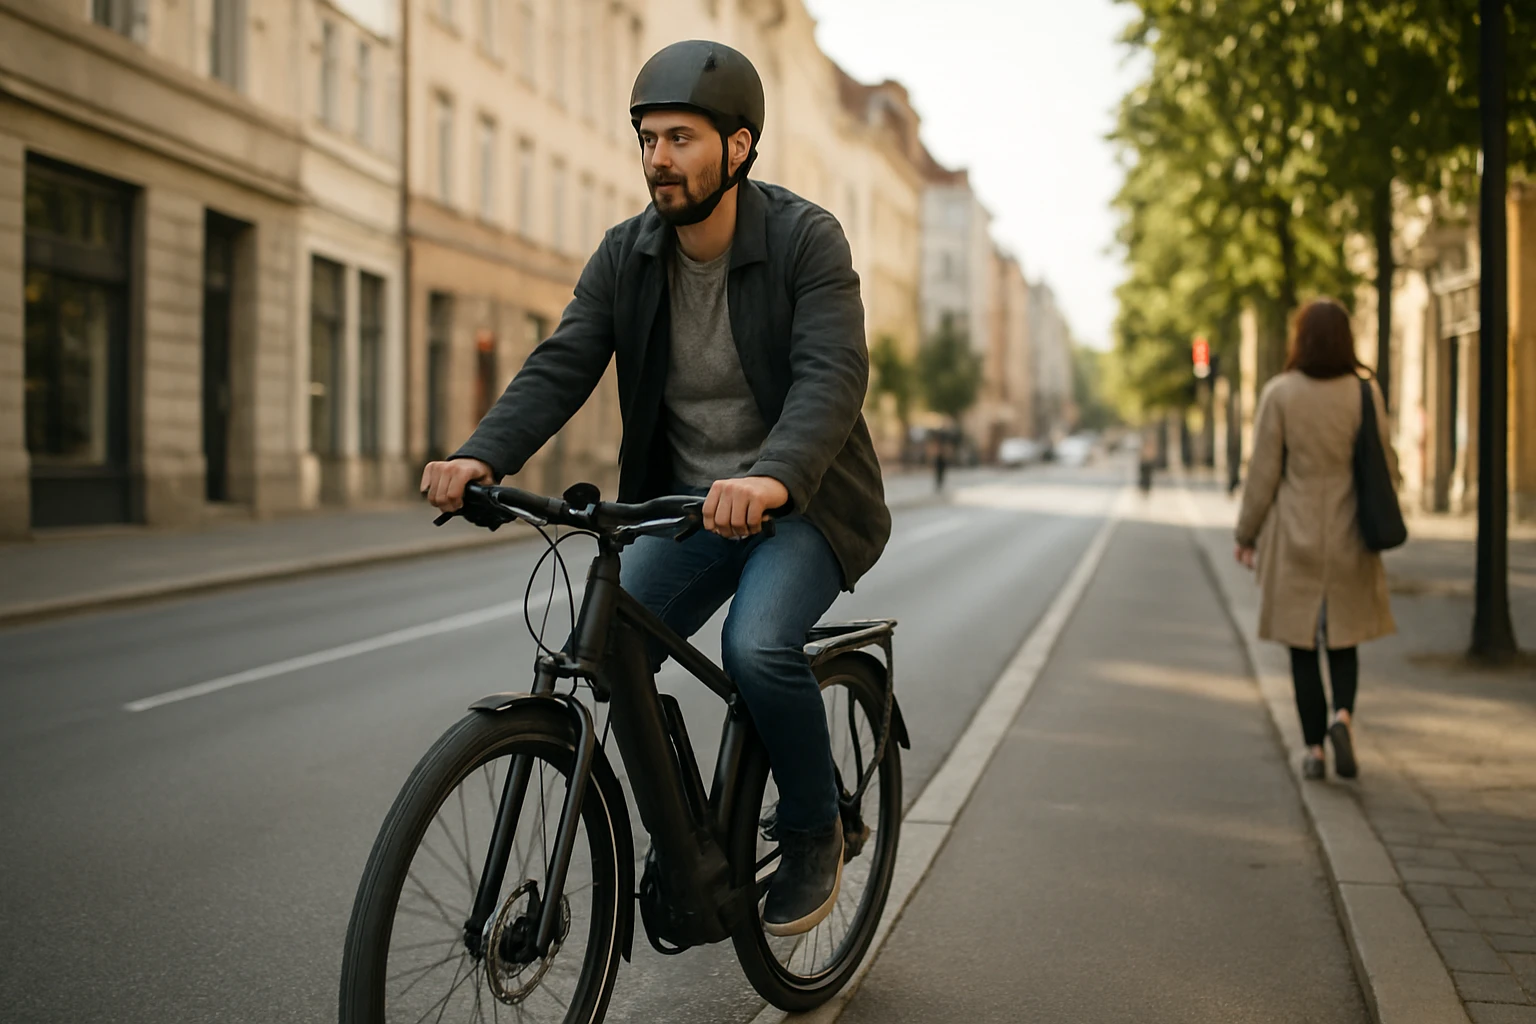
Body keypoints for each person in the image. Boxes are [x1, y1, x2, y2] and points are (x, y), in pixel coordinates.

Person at [419, 39, 891, 937]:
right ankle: (689, 846)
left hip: (806, 503)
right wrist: (482, 457)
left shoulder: (805, 240)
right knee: (610, 648)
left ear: (740, 148)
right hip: (685, 508)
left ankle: (812, 825)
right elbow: (562, 363)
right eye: (647, 138)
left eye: (680, 137)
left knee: (757, 648)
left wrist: (773, 478)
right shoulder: (626, 255)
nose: (658, 158)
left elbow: (831, 377)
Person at [1234, 298, 1399, 780]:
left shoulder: (1280, 393)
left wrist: (1246, 533)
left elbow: (1262, 473)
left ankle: (1315, 751)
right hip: (1349, 536)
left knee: (1301, 646)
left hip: (1296, 538)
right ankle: (1342, 718)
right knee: (1344, 640)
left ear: (1299, 339)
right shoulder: (1364, 393)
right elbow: (1384, 464)